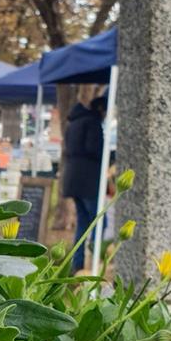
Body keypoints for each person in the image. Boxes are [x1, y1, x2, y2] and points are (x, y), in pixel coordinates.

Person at [63, 95, 107, 271]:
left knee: (83, 222)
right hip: (88, 180)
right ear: (101, 110)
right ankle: (94, 261)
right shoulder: (92, 123)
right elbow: (93, 149)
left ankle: (78, 263)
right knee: (99, 221)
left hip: (72, 179)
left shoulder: (73, 123)